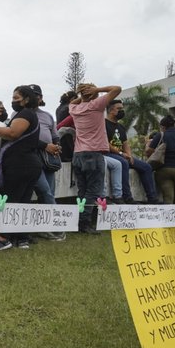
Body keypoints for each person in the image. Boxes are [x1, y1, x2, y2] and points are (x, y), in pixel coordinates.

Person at [0, 85, 43, 251]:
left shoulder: (25, 114)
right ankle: (21, 237)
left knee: (10, 200)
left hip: (21, 164)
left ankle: (3, 238)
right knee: (22, 201)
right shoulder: (30, 115)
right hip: (29, 164)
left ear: (26, 100)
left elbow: (13, 133)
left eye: (16, 98)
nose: (13, 101)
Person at [70, 82, 121, 234]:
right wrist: (96, 90)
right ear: (93, 94)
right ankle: (84, 222)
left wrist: (83, 95)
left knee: (82, 190)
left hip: (78, 154)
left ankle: (79, 220)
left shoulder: (74, 109)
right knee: (93, 190)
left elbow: (73, 101)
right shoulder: (96, 105)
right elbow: (117, 89)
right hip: (94, 153)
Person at [105, 100, 159, 204]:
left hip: (123, 155)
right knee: (123, 163)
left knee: (146, 167)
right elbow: (106, 144)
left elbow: (125, 143)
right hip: (110, 154)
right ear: (111, 111)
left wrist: (129, 155)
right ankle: (127, 197)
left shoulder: (120, 127)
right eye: (119, 109)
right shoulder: (103, 124)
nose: (122, 111)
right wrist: (121, 154)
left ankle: (152, 198)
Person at [28, 84, 64, 240]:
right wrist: (45, 146)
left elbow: (54, 135)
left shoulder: (48, 116)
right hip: (32, 158)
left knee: (49, 193)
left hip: (49, 159)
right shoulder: (19, 114)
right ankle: (58, 227)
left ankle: (45, 228)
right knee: (45, 191)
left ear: (41, 98)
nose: (34, 97)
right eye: (31, 94)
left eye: (37, 94)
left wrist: (56, 146)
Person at [144, 115, 175, 204]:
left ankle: (167, 218)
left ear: (163, 127)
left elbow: (149, 152)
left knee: (168, 198)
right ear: (174, 125)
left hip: (164, 170)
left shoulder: (161, 135)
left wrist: (147, 145)